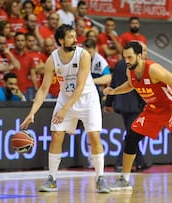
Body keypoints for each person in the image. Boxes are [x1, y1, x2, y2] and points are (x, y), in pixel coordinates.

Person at [103, 41, 172, 195]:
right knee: (131, 138)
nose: (126, 61)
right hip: (153, 109)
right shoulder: (130, 71)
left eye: (129, 57)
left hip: (170, 107)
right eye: (124, 57)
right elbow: (131, 84)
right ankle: (124, 180)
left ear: (140, 56)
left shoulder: (153, 69)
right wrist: (114, 92)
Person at [20, 24, 110, 193]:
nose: (75, 39)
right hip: (65, 98)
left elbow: (80, 87)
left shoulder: (83, 55)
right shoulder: (52, 59)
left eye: (75, 36)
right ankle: (52, 179)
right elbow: (43, 89)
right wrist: (32, 113)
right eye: (70, 37)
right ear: (61, 40)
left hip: (87, 99)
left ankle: (100, 178)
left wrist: (64, 110)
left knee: (94, 136)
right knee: (56, 135)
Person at [104, 42, 150, 173]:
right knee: (131, 135)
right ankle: (120, 163)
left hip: (121, 105)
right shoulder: (136, 66)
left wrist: (108, 103)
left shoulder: (118, 64)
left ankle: (140, 162)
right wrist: (146, 103)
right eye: (143, 51)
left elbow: (113, 83)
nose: (145, 54)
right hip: (134, 105)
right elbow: (137, 87)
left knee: (133, 134)